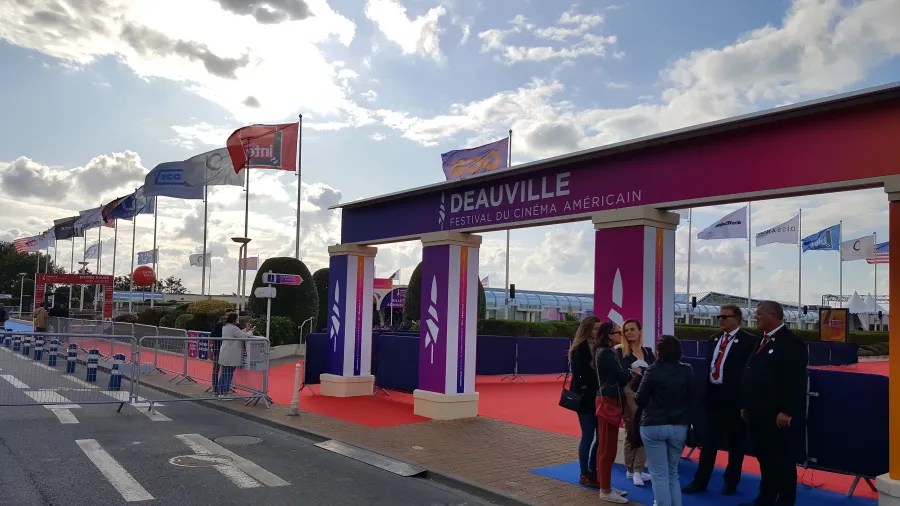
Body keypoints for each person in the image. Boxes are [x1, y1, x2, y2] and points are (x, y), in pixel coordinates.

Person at [684, 304, 759, 496]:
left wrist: (746, 402)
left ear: (737, 319)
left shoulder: (749, 341)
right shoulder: (714, 339)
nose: (721, 320)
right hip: (713, 398)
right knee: (709, 443)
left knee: (736, 445)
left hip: (735, 401)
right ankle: (700, 481)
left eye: (725, 317)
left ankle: (731, 483)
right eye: (720, 317)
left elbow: (751, 374)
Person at [740, 301, 808, 506]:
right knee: (765, 460)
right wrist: (746, 405)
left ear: (774, 315)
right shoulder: (761, 340)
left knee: (782, 461)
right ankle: (766, 499)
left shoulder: (790, 342)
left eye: (760, 313)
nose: (756, 316)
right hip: (756, 412)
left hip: (776, 415)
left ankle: (785, 501)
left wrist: (787, 411)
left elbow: (795, 380)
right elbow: (751, 373)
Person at [636, 335, 693, 506]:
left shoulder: (652, 370)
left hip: (653, 424)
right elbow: (693, 396)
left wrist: (637, 378)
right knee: (672, 472)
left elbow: (640, 399)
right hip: (679, 425)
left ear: (658, 351)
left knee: (659, 474)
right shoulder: (687, 370)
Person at [595, 321, 633, 504]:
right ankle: (605, 489)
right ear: (610, 335)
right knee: (607, 448)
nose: (621, 334)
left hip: (611, 398)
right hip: (607, 400)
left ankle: (606, 485)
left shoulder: (608, 352)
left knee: (608, 447)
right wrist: (631, 372)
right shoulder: (606, 354)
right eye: (618, 331)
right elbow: (622, 375)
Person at [617, 318, 654, 486]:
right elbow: (621, 375)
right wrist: (635, 373)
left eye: (633, 329)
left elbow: (654, 371)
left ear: (640, 331)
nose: (630, 332)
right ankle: (632, 469)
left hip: (646, 395)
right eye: (626, 330)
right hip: (629, 394)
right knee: (632, 430)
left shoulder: (648, 351)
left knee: (643, 430)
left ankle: (637, 469)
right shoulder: (620, 352)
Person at [568, 315, 602, 488]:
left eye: (599, 329)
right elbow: (580, 376)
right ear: (587, 329)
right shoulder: (579, 348)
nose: (598, 332)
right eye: (595, 328)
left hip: (601, 398)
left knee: (601, 437)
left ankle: (593, 469)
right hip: (586, 400)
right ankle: (584, 473)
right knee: (588, 435)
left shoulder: (603, 347)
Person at [217, 312, 256, 397]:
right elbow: (244, 336)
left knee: (224, 373)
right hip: (231, 354)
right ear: (234, 319)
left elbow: (239, 334)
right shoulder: (233, 328)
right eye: (237, 319)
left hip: (225, 353)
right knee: (228, 374)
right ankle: (225, 393)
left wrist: (246, 330)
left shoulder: (225, 327)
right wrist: (251, 331)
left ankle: (220, 391)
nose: (238, 320)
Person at [209, 309, 237, 396]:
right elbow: (212, 335)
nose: (227, 317)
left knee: (228, 371)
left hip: (230, 352)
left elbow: (240, 332)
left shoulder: (236, 325)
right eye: (227, 315)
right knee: (216, 370)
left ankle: (224, 388)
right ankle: (215, 389)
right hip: (218, 350)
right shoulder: (220, 325)